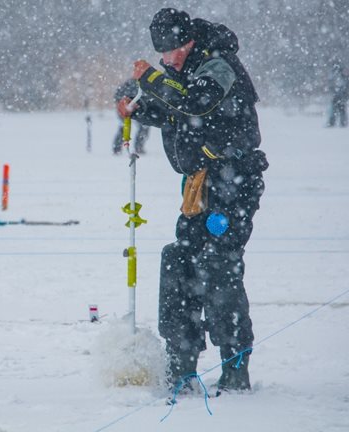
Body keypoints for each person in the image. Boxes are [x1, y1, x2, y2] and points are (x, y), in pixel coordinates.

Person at [117, 8, 269, 396]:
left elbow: (198, 104)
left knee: (219, 268)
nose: (165, 61)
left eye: (170, 53)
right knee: (179, 261)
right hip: (198, 187)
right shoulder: (179, 74)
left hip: (234, 183)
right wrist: (136, 107)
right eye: (161, 56)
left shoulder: (218, 66)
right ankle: (181, 365)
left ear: (188, 42)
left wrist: (149, 79)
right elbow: (174, 113)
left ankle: (235, 368)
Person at [113, 79, 149, 155]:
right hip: (128, 109)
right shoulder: (142, 85)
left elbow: (116, 96)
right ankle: (138, 147)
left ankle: (117, 148)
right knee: (142, 127)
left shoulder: (131, 85)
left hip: (133, 109)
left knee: (141, 128)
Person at [327, 62, 349, 127]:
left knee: (336, 110)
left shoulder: (336, 75)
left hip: (338, 96)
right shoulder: (340, 76)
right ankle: (341, 122)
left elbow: (333, 85)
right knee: (339, 110)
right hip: (339, 96)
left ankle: (335, 123)